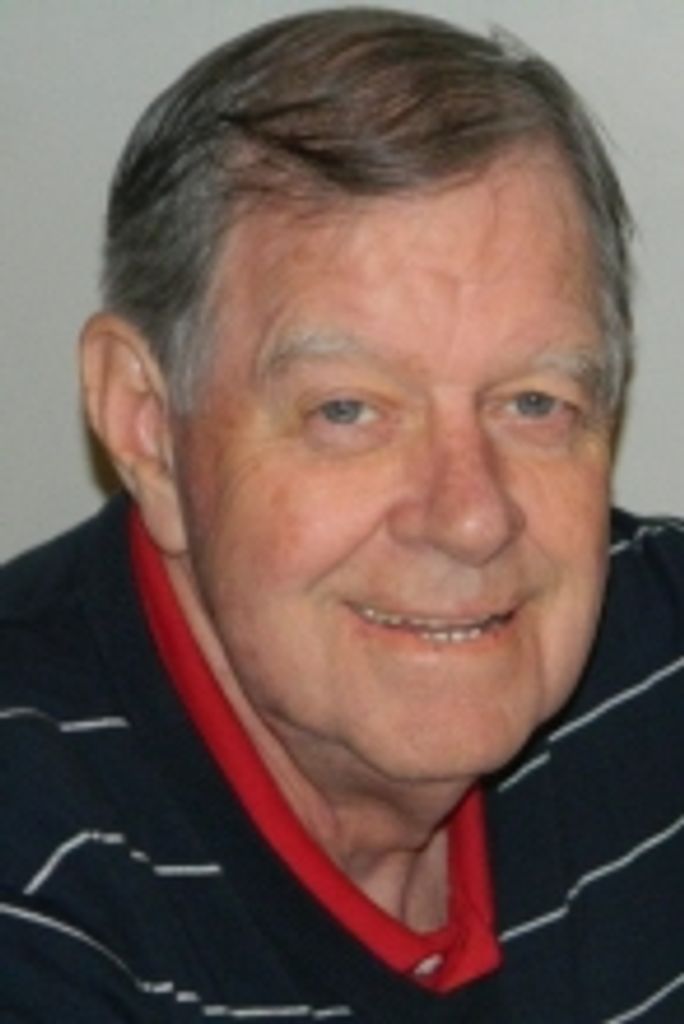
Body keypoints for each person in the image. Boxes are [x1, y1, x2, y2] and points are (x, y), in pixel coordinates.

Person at [2, 7, 684, 1021]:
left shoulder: (659, 648)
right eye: (348, 411)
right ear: (148, 425)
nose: (470, 518)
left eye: (534, 404)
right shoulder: (33, 873)